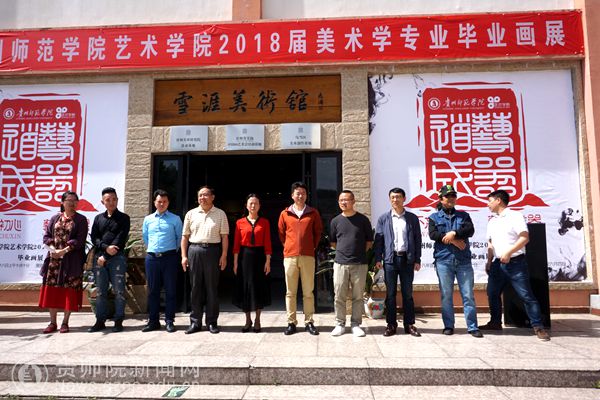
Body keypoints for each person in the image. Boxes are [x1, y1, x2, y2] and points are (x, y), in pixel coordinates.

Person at [480, 189, 551, 341]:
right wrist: (489, 261)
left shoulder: (515, 216)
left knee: (526, 295)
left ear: (498, 200)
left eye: (490, 201)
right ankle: (495, 322)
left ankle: (538, 327)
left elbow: (524, 238)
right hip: (497, 265)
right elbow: (491, 243)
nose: (488, 204)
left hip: (515, 263)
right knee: (492, 293)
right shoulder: (492, 221)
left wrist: (508, 252)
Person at [428, 184, 483, 338]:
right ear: (441, 199)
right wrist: (453, 240)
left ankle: (472, 327)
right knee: (446, 295)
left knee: (468, 295)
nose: (451, 198)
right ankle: (448, 325)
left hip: (463, 261)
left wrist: (454, 233)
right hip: (443, 261)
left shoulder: (463, 216)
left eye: (453, 196)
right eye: (448, 196)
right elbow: (433, 235)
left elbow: (470, 230)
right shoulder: (434, 217)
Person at [374, 187, 422, 337]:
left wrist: (417, 259)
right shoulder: (383, 218)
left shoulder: (412, 218)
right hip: (390, 260)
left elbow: (417, 239)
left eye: (398, 197)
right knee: (391, 294)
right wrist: (378, 258)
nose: (395, 200)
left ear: (404, 199)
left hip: (407, 259)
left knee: (408, 294)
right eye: (393, 197)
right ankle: (391, 325)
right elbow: (379, 240)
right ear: (390, 199)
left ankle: (409, 324)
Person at [181, 186, 229, 334]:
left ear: (212, 197)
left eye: (205, 195)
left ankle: (212, 322)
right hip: (194, 250)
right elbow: (185, 237)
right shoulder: (191, 214)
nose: (202, 198)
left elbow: (224, 237)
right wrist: (184, 256)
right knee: (195, 287)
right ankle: (195, 322)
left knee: (211, 288)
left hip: (213, 251)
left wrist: (224, 255)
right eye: (200, 195)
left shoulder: (220, 214)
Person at [39, 191, 89, 334]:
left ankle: (65, 322)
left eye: (75, 201)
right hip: (54, 260)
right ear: (62, 202)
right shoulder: (55, 218)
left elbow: (80, 240)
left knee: (70, 289)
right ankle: (52, 322)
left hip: (72, 260)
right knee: (52, 290)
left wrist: (64, 251)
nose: (72, 203)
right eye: (69, 200)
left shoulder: (81, 220)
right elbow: (47, 236)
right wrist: (53, 249)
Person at [278, 182, 323, 335]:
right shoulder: (285, 214)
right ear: (292, 195)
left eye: (303, 193)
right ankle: (291, 322)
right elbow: (281, 233)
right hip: (290, 257)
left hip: (308, 256)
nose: (300, 196)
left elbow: (318, 232)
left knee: (308, 291)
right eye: (297, 193)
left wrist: (311, 247)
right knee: (290, 292)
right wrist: (288, 246)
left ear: (306, 195)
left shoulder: (313, 213)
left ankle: (309, 322)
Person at [330, 190, 373, 337]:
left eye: (346, 200)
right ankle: (339, 324)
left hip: (359, 263)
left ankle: (355, 324)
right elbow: (333, 243)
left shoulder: (363, 220)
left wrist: (357, 253)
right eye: (341, 200)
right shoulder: (335, 221)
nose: (343, 202)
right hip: (340, 263)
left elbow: (369, 242)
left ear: (353, 201)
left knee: (358, 296)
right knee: (339, 295)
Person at [88, 187, 131, 333]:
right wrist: (105, 248)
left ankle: (118, 320)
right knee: (101, 291)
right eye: (108, 200)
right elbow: (94, 238)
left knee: (119, 291)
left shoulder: (124, 218)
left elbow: (120, 239)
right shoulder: (98, 218)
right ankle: (100, 321)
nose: (111, 202)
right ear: (103, 202)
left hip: (117, 258)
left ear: (117, 200)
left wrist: (106, 255)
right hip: (99, 258)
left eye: (114, 199)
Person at [141, 189, 182, 333]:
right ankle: (153, 321)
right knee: (153, 291)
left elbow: (179, 238)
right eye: (159, 201)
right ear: (154, 203)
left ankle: (169, 321)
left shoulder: (175, 219)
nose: (162, 204)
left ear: (168, 203)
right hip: (152, 258)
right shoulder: (148, 219)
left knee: (170, 290)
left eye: (164, 201)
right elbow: (145, 237)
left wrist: (170, 251)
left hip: (169, 257)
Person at [232, 194, 272, 333]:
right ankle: (247, 320)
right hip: (244, 257)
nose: (253, 206)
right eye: (251, 203)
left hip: (260, 257)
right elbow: (236, 244)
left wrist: (268, 261)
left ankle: (258, 320)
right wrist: (235, 262)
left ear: (259, 206)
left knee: (258, 287)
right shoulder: (240, 222)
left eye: (256, 203)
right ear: (246, 206)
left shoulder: (265, 222)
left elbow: (267, 242)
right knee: (246, 287)